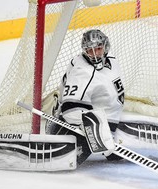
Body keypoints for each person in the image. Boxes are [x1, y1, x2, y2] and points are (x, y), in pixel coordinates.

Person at [49, 29, 125, 165]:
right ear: (85, 51)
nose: (95, 54)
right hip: (85, 121)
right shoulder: (82, 72)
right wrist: (97, 133)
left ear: (106, 47)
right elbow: (69, 110)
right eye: (90, 50)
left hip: (112, 116)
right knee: (66, 159)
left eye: (99, 49)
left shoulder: (111, 60)